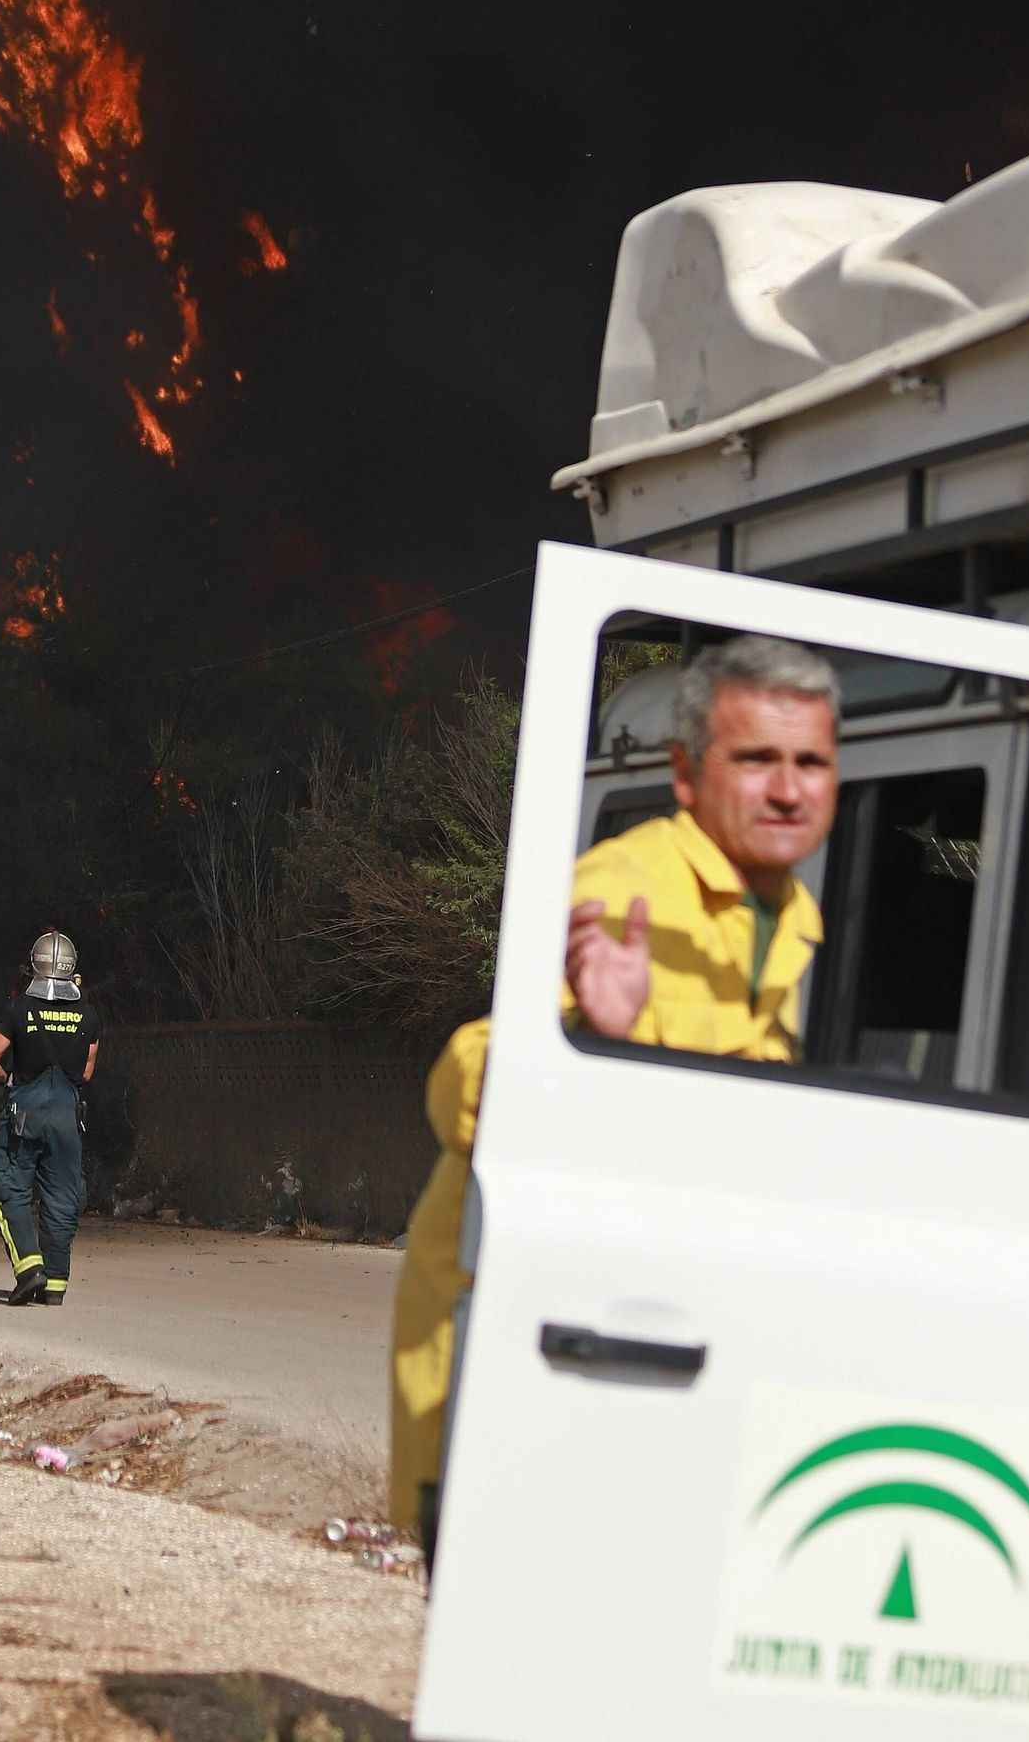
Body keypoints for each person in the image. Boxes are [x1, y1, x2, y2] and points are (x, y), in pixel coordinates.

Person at [390, 634, 840, 1543]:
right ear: (686, 775)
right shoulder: (625, 890)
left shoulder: (792, 913)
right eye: (757, 759)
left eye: (810, 762)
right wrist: (592, 1039)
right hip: (520, 1357)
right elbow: (463, 1086)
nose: (789, 790)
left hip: (650, 1336)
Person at [0, 929, 99, 1305]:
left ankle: (30, 1268)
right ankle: (55, 1285)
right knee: (62, 1196)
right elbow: (86, 1073)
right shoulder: (88, 1014)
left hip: (24, 1114)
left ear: (34, 965)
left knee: (7, 1189)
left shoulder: (17, 1009)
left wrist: (10, 1079)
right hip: (67, 1117)